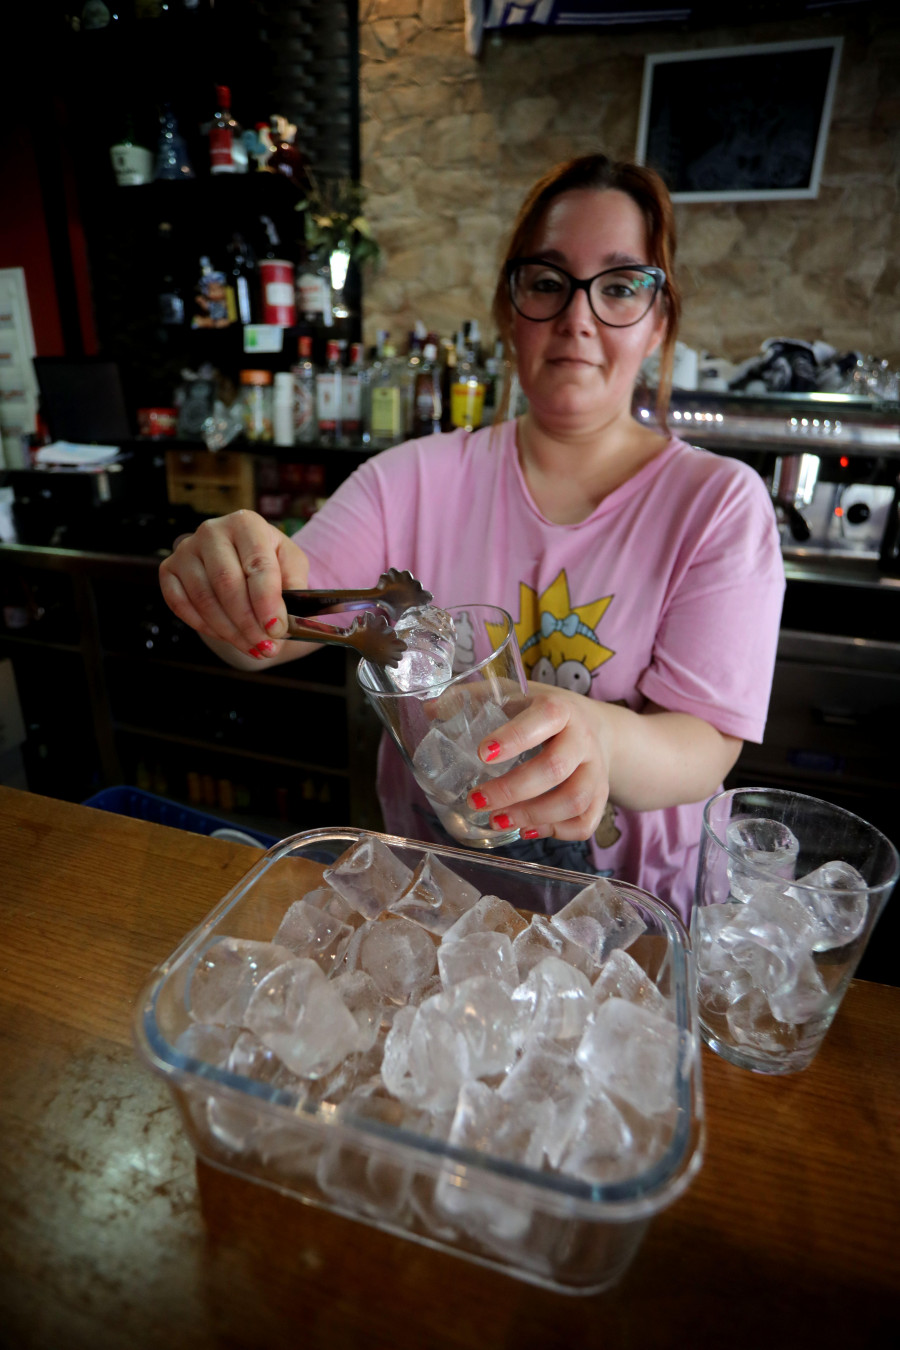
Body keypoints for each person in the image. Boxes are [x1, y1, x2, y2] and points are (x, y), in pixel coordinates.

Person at [159, 153, 785, 920]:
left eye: (620, 286)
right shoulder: (409, 479)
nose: (578, 317)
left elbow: (706, 746)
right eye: (548, 282)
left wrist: (592, 732)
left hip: (627, 920)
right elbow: (282, 620)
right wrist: (237, 572)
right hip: (439, 909)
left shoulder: (718, 502)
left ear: (658, 323)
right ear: (508, 309)